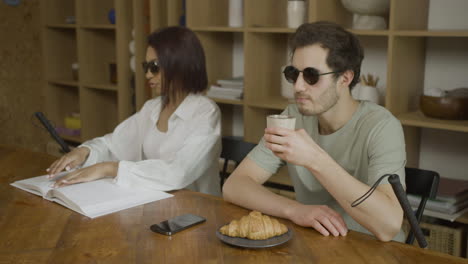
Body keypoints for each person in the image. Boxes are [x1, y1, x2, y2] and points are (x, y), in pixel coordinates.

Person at [223, 21, 407, 242]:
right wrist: (295, 210)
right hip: (319, 244)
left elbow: (388, 226)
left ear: (345, 78)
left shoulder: (382, 127)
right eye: (293, 73)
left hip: (372, 248)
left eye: (311, 75)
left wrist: (314, 159)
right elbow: (235, 186)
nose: (298, 86)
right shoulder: (293, 116)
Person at [47, 26, 222, 196]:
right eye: (146, 66)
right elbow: (114, 144)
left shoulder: (206, 113)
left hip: (199, 210)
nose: (147, 75)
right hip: (158, 202)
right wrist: (84, 151)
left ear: (179, 64)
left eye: (154, 67)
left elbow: (179, 172)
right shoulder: (153, 108)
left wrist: (109, 168)